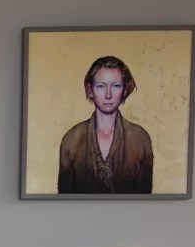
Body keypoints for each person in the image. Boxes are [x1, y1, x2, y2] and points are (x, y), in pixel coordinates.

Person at [57, 56, 153, 194]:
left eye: (116, 86)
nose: (108, 95)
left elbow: (146, 200)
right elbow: (63, 201)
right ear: (90, 90)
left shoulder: (140, 139)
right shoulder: (72, 139)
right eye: (101, 86)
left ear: (125, 90)